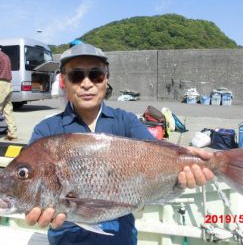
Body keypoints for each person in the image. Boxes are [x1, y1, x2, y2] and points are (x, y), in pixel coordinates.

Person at [25, 43, 214, 245]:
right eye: (77, 76)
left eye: (96, 75)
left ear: (106, 79)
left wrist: (186, 159)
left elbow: (158, 154)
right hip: (67, 239)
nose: (87, 83)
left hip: (120, 238)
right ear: (64, 81)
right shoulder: (46, 131)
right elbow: (31, 183)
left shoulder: (126, 121)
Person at [0, 46, 18, 141]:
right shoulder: (6, 56)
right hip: (8, 83)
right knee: (8, 110)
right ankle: (12, 133)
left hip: (1, 83)